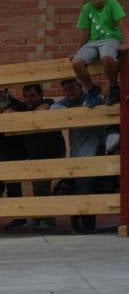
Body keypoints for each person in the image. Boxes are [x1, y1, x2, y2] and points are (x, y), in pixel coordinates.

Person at [3, 83, 64, 232]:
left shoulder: (49, 102)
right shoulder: (24, 107)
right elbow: (7, 112)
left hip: (51, 152)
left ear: (41, 94)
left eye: (33, 96)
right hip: (34, 153)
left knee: (42, 186)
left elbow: (42, 109)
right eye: (26, 96)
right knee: (37, 186)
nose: (30, 99)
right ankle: (39, 218)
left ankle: (47, 221)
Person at [51, 78, 106, 234]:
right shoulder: (66, 102)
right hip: (75, 155)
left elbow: (97, 99)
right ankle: (76, 226)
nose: (69, 92)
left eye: (72, 88)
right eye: (65, 90)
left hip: (92, 153)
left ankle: (87, 226)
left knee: (86, 190)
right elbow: (55, 106)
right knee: (74, 190)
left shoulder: (91, 97)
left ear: (80, 86)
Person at [71, 0, 127, 104]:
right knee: (76, 63)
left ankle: (113, 88)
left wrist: (127, 42)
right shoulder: (87, 8)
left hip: (111, 39)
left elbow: (122, 22)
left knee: (107, 58)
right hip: (93, 42)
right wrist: (78, 51)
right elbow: (85, 31)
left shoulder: (112, 3)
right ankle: (92, 89)